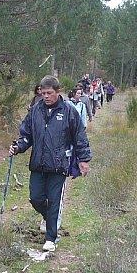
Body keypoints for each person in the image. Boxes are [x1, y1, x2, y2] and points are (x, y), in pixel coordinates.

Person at [9, 75, 91, 252]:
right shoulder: (35, 111)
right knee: (36, 198)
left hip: (59, 165)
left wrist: (83, 160)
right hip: (38, 164)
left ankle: (51, 238)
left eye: (49, 93)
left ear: (57, 92)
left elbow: (80, 137)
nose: (45, 96)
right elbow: (26, 136)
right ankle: (48, 218)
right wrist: (18, 147)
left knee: (54, 202)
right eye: (43, 93)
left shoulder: (69, 112)